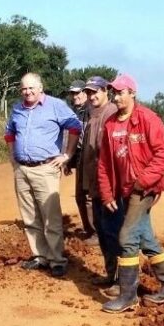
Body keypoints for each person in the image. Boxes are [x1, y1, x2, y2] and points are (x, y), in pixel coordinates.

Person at [97, 74, 164, 313]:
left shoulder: (147, 118)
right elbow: (104, 163)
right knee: (145, 238)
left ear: (132, 93)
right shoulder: (111, 124)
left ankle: (128, 296)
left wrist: (142, 181)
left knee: (126, 238)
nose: (116, 96)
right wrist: (107, 193)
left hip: (144, 189)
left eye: (120, 92)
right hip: (122, 190)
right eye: (113, 92)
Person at [4, 72, 82, 277]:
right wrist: (13, 157)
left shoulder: (55, 106)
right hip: (22, 168)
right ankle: (40, 256)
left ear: (40, 88)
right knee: (29, 216)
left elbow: (75, 126)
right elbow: (9, 133)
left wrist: (68, 154)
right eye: (24, 88)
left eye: (31, 88)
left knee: (50, 216)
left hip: (45, 169)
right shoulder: (17, 109)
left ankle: (57, 259)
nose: (27, 92)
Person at [78, 76, 120, 288]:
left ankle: (122, 281)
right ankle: (111, 274)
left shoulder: (111, 114)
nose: (91, 96)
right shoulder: (92, 115)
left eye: (95, 92)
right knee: (103, 233)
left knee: (114, 234)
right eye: (88, 92)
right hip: (96, 185)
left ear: (106, 91)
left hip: (110, 188)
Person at [67, 80, 96, 244]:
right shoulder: (75, 112)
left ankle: (95, 232)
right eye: (73, 93)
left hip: (90, 157)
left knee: (88, 196)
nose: (75, 96)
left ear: (85, 93)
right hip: (79, 157)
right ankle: (89, 229)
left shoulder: (91, 110)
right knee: (80, 196)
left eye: (78, 93)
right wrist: (68, 160)